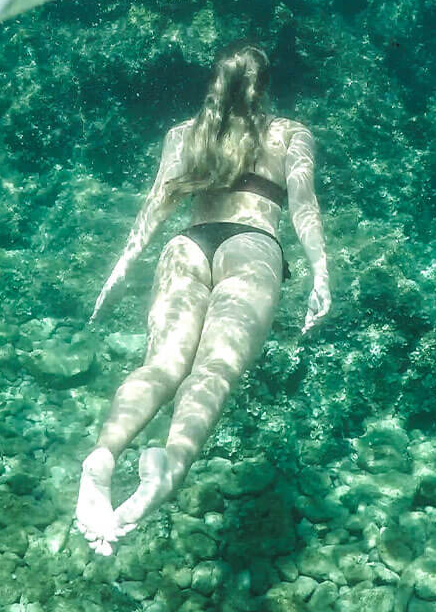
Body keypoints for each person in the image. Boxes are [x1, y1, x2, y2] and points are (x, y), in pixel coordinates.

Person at [75, 43, 330, 556]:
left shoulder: (183, 135)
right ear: (266, 86)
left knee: (160, 367)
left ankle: (101, 458)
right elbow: (303, 206)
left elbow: (152, 211)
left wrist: (118, 273)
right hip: (251, 244)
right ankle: (170, 463)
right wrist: (321, 272)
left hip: (186, 245)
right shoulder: (288, 133)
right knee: (212, 371)